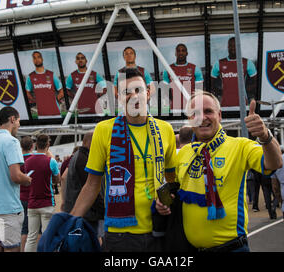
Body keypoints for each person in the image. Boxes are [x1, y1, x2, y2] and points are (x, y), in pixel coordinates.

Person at [159, 91, 283, 252]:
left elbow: (275, 163)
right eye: (195, 113)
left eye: (208, 111)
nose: (202, 117)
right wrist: (163, 203)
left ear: (219, 115)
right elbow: (172, 189)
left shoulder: (240, 146)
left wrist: (265, 136)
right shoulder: (183, 153)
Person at [71, 67, 177, 252]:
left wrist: (166, 202)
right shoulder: (104, 130)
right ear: (118, 96)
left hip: (158, 229)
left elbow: (171, 179)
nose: (133, 96)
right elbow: (91, 185)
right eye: (126, 92)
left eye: (138, 90)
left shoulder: (165, 130)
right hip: (119, 235)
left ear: (149, 92)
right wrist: (70, 223)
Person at [0, 106, 32, 252]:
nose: (19, 125)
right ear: (12, 119)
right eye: (19, 121)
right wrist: (27, 180)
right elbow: (15, 176)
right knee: (12, 248)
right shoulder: (12, 142)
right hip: (8, 207)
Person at [61, 131, 105, 239]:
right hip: (86, 213)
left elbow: (64, 177)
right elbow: (91, 187)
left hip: (80, 210)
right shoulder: (84, 159)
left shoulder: (77, 156)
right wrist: (103, 209)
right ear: (92, 142)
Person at [24, 134, 60, 252]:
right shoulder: (51, 161)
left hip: (32, 203)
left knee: (31, 236)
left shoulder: (28, 162)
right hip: (47, 202)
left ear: (35, 145)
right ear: (48, 145)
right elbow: (57, 179)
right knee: (46, 236)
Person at [211, 37, 257, 108]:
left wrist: (245, 90)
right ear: (228, 47)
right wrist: (220, 92)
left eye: (235, 45)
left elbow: (257, 83)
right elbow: (211, 83)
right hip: (224, 104)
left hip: (243, 104)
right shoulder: (219, 63)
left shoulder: (247, 63)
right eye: (231, 46)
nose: (233, 48)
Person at [162, 44, 204, 112]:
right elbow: (166, 89)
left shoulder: (195, 68)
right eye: (178, 51)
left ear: (187, 53)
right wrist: (175, 99)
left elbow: (199, 90)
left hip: (191, 107)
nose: (181, 53)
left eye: (183, 50)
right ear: (175, 53)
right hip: (175, 108)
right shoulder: (168, 69)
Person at [25, 51, 64, 118]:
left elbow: (62, 91)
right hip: (41, 114)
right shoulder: (30, 76)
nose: (37, 59)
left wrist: (55, 99)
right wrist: (34, 100)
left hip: (55, 112)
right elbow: (27, 92)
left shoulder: (51, 74)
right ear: (33, 61)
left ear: (42, 59)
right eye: (34, 58)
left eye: (38, 57)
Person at [19, 136, 34, 252]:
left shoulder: (17, 161)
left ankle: (23, 249)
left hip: (20, 197)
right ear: (32, 146)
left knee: (24, 228)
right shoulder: (34, 159)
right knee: (36, 229)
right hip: (34, 197)